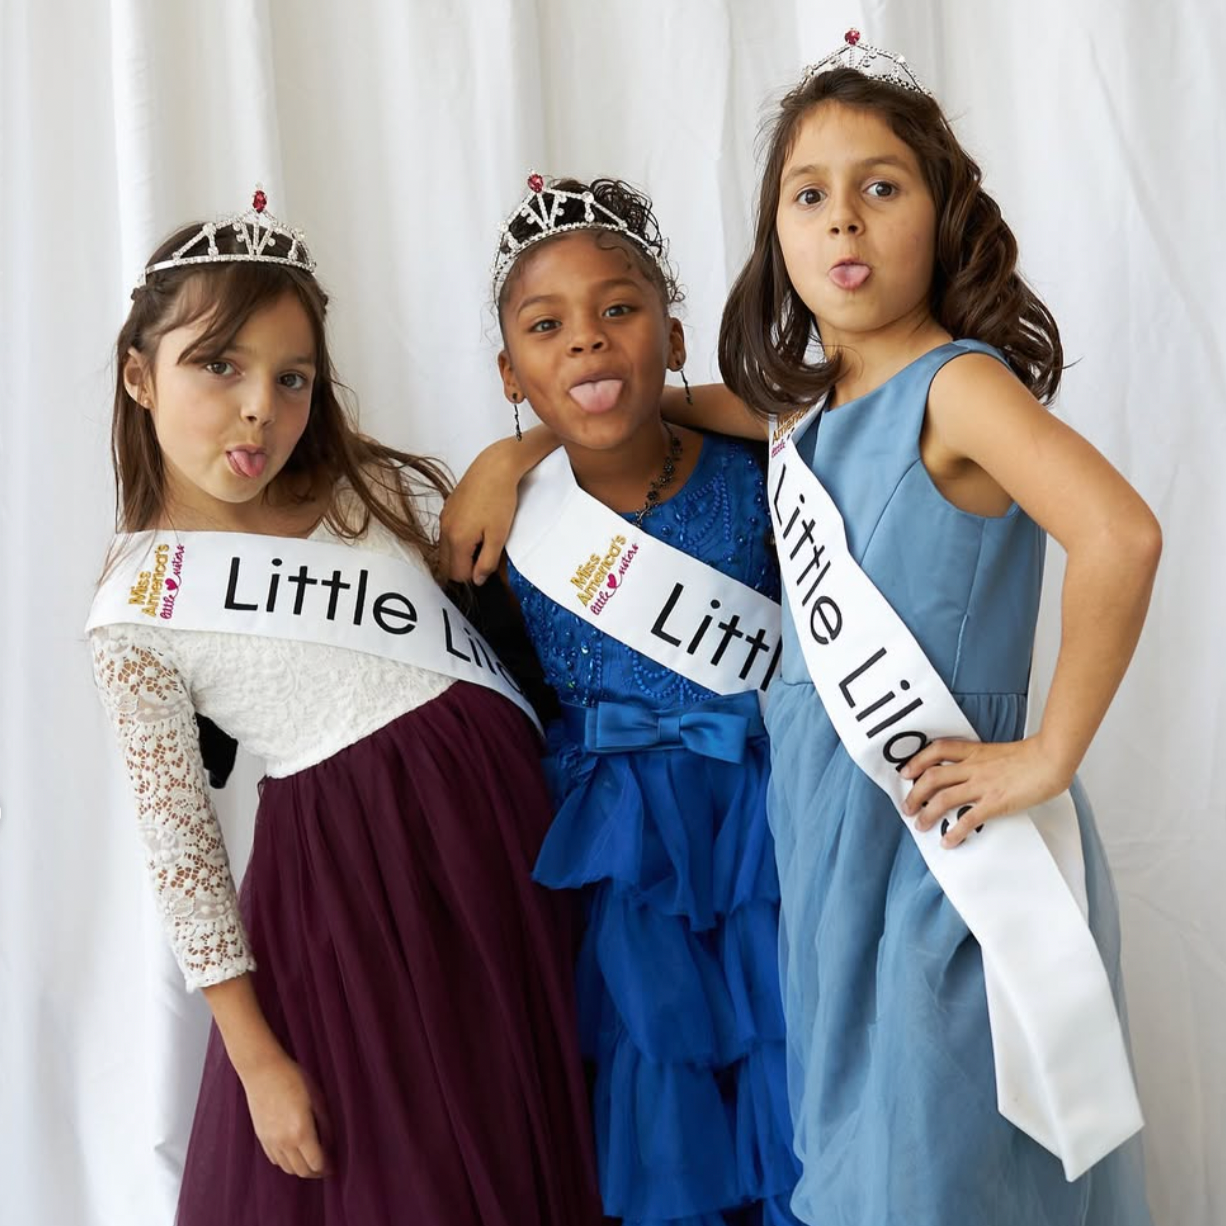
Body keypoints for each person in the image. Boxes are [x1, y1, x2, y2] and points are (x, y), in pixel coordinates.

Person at [443, 35, 1160, 1226]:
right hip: (831, 837)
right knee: (853, 1164)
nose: (844, 224)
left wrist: (1047, 753)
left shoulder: (955, 384)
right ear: (773, 232)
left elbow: (1119, 534)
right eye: (808, 195)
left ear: (942, 213)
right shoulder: (807, 407)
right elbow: (632, 404)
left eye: (881, 187)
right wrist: (511, 448)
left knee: (940, 1170)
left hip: (942, 837)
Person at [88, 190, 602, 1226]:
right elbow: (180, 850)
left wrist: (508, 458)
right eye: (219, 365)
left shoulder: (357, 484)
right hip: (361, 899)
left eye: (291, 378)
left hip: (511, 840)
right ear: (141, 374)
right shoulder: (137, 604)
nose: (258, 409)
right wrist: (255, 1051)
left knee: (549, 1130)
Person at [482, 173, 802, 1224]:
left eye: (617, 310)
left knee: (785, 1047)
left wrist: (530, 437)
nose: (585, 342)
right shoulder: (506, 527)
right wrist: (519, 456)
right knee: (650, 1075)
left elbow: (822, 397)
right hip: (618, 842)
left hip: (760, 817)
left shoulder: (759, 467)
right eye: (548, 325)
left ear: (672, 339)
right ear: (510, 370)